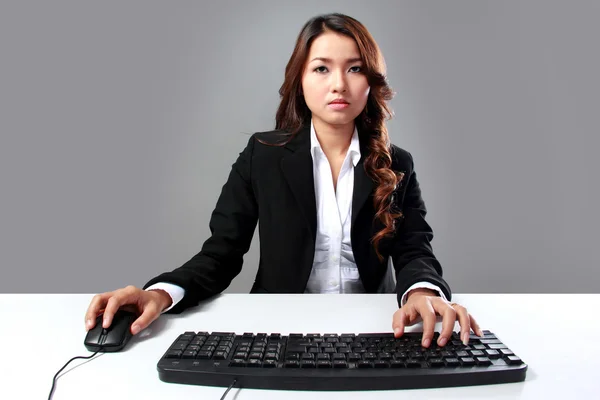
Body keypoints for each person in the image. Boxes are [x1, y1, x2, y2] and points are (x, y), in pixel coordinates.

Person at [85, 12, 482, 349]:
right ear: (301, 79)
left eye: (355, 68)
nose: (339, 84)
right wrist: (158, 293)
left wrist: (424, 293)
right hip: (279, 329)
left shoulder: (397, 164)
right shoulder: (262, 156)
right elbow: (220, 254)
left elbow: (414, 250)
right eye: (322, 68)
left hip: (379, 327)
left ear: (371, 82)